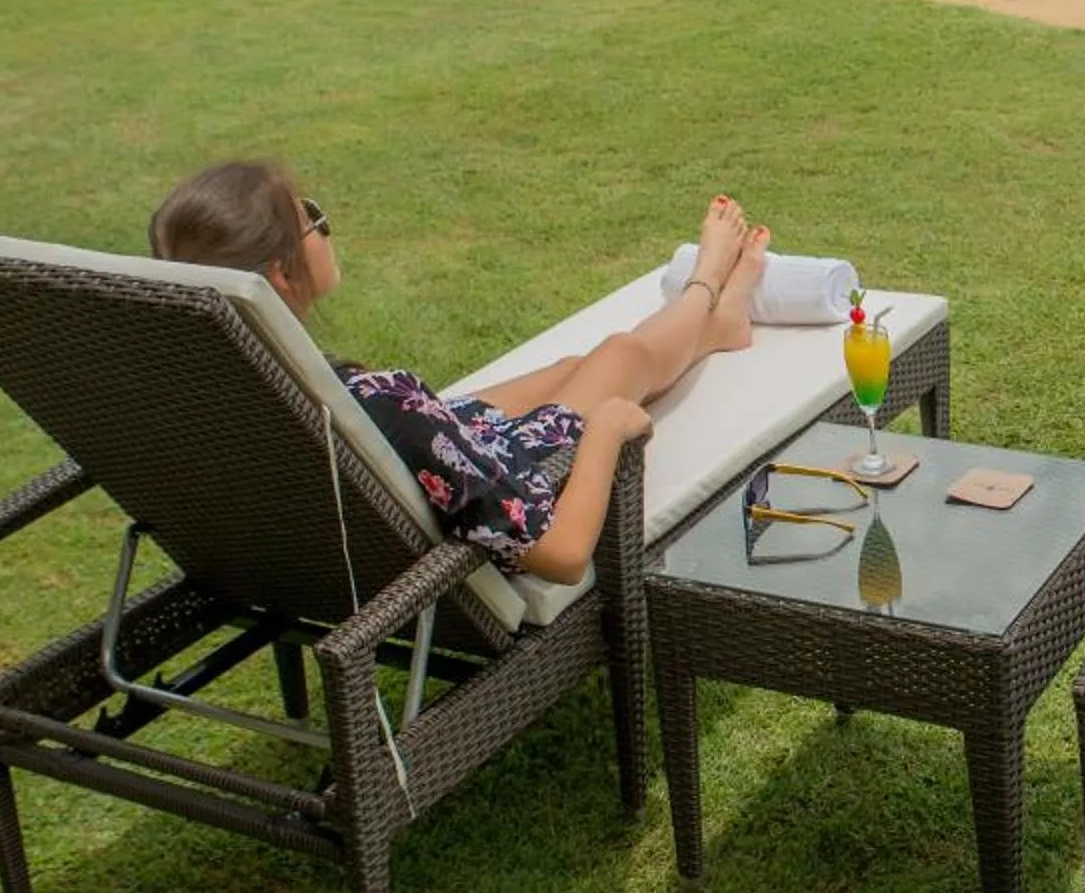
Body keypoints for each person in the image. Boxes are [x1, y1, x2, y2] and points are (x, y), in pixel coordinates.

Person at [148, 159, 767, 585]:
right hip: (462, 514)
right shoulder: (379, 403)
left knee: (573, 366)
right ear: (282, 274)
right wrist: (605, 430)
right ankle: (708, 286)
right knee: (619, 358)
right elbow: (561, 554)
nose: (324, 227)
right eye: (312, 217)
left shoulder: (212, 392)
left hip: (394, 476)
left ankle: (714, 327)